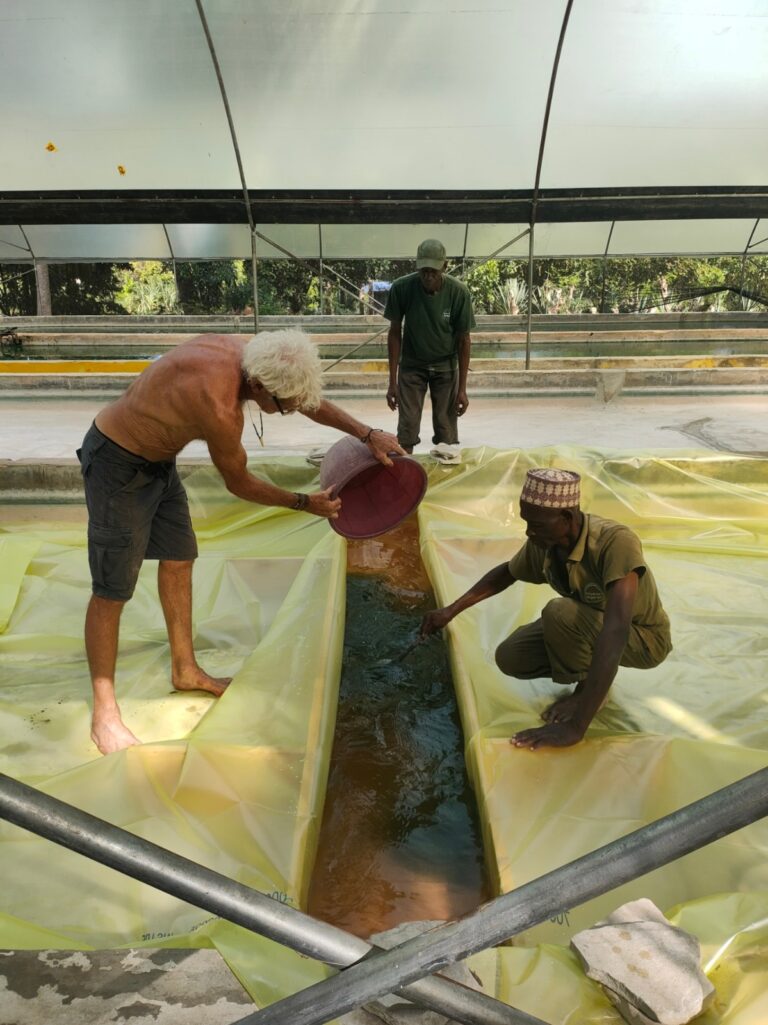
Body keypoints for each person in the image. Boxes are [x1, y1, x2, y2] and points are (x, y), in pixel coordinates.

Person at [78, 329, 404, 755]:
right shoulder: (219, 406)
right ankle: (104, 713)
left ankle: (185, 669)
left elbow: (302, 399)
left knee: (179, 557)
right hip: (116, 463)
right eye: (280, 407)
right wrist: (303, 502)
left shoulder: (254, 355)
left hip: (158, 462)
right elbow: (239, 483)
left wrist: (366, 433)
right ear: (257, 387)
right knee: (113, 588)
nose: (286, 413)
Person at [420, 468, 672, 750]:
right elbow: (507, 573)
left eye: (537, 524)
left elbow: (616, 629)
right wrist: (450, 611)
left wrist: (576, 727)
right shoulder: (546, 542)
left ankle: (590, 692)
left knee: (560, 612)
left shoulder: (614, 542)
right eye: (527, 522)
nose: (529, 532)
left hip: (644, 638)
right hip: (586, 624)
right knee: (510, 657)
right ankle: (587, 680)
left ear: (566, 517)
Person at [384, 239, 475, 453]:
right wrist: (392, 382)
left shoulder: (458, 293)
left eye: (433, 271)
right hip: (412, 366)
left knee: (446, 430)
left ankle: (446, 475)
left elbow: (464, 340)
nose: (428, 276)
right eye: (423, 271)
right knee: (407, 428)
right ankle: (405, 476)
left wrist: (462, 389)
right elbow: (394, 333)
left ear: (444, 267)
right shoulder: (401, 288)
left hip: (445, 367)